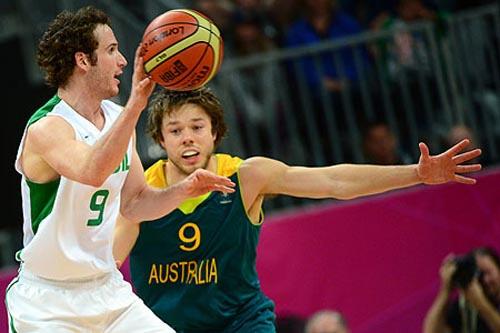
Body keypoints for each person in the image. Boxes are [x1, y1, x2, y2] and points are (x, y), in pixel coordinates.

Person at [113, 87, 482, 333]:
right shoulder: (141, 190)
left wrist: (416, 172)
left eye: (197, 126)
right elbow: (108, 258)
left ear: (215, 133)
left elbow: (334, 182)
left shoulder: (248, 176)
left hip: (240, 322)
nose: (187, 137)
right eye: (175, 130)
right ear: (160, 140)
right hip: (166, 325)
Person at [5, 6, 235, 333]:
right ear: (83, 60)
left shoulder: (115, 118)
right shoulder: (48, 128)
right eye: (112, 50)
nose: (124, 61)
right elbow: (92, 169)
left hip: (106, 290)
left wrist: (185, 189)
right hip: (48, 303)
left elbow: (135, 202)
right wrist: (136, 105)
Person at [423, 247, 500, 333]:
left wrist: (481, 303)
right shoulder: (465, 306)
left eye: (488, 272)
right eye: (479, 275)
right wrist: (446, 290)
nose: (485, 280)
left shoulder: (478, 301)